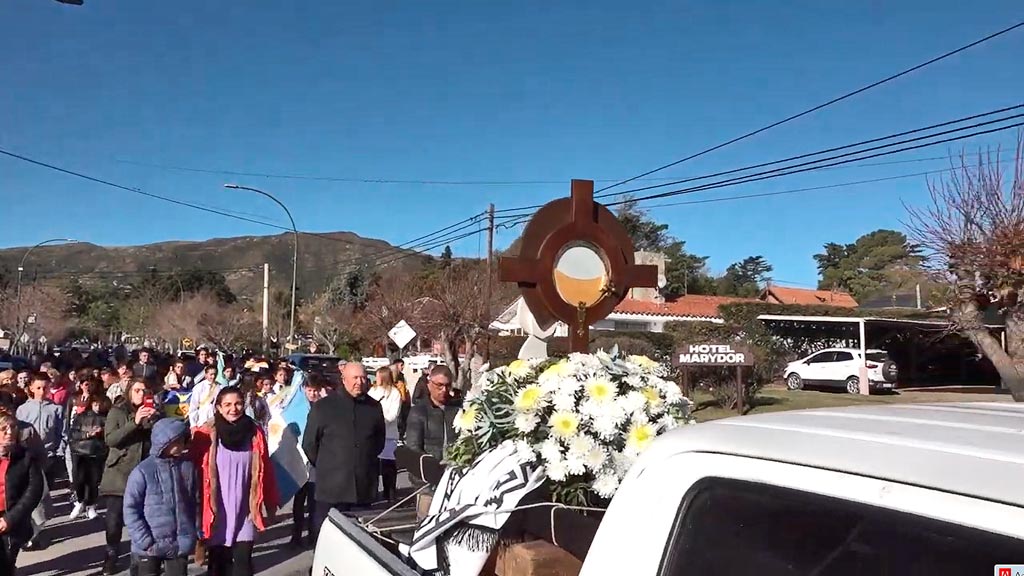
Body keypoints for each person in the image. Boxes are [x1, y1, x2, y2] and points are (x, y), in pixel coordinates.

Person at [192, 386, 278, 576]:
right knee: (217, 567)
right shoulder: (206, 433)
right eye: (228, 404)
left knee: (243, 566)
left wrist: (271, 503)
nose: (234, 409)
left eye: (238, 403)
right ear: (219, 408)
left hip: (245, 511)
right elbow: (192, 473)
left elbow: (266, 470)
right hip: (216, 513)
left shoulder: (255, 433)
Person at [303, 362, 385, 543]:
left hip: (362, 488)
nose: (359, 382)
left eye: (363, 377)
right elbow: (309, 444)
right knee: (327, 541)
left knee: (361, 544)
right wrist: (329, 465)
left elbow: (378, 442)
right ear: (344, 379)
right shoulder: (323, 407)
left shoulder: (374, 408)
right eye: (355, 378)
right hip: (331, 489)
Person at [100, 380, 161, 575]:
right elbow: (111, 439)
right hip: (119, 473)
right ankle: (111, 556)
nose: (141, 393)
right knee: (114, 521)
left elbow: (160, 440)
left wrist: (155, 420)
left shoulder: (154, 412)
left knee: (142, 520)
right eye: (137, 390)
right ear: (129, 392)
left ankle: (139, 559)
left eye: (145, 390)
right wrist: (134, 422)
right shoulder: (117, 412)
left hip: (144, 474)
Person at [123, 418, 196, 576]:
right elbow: (130, 508)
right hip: (149, 545)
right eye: (179, 440)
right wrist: (144, 540)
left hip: (179, 543)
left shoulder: (187, 467)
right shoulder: (142, 471)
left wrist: (193, 533)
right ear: (165, 441)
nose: (183, 444)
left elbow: (194, 501)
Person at [15, 372, 63, 550]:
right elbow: (18, 434)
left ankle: (38, 529)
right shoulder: (23, 410)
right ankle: (29, 533)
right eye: (38, 388)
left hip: (49, 457)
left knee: (44, 496)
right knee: (30, 496)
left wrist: (58, 452)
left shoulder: (56, 409)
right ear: (31, 389)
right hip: (28, 459)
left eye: (45, 387)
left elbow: (61, 433)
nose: (42, 391)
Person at [0, 410, 45, 574]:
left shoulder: (25, 457)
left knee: (6, 565)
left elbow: (34, 490)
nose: (9, 432)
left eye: (13, 427)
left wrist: (10, 519)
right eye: (4, 428)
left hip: (11, 520)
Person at [290, 377, 323, 548]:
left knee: (313, 502)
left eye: (315, 390)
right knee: (298, 501)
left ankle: (312, 534)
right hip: (299, 459)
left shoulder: (323, 408)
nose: (312, 394)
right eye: (309, 390)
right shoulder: (297, 408)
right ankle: (296, 534)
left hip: (316, 460)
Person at [68, 394, 110, 520]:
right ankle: (80, 501)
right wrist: (87, 434)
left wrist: (101, 433)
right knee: (78, 480)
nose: (98, 407)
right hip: (79, 451)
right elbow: (72, 433)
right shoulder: (81, 417)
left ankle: (91, 505)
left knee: (93, 481)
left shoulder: (106, 418)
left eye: (100, 404)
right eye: (96, 404)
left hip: (97, 452)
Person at [405, 366, 461, 461]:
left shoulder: (458, 409)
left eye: (447, 385)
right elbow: (413, 447)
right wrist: (431, 467)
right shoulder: (418, 411)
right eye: (439, 385)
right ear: (429, 384)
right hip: (428, 471)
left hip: (455, 469)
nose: (444, 390)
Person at [368, 367, 401, 501]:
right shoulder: (373, 391)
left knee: (388, 467)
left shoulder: (394, 393)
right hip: (373, 433)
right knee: (373, 466)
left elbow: (393, 414)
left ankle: (390, 494)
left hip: (389, 434)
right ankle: (372, 494)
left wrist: (380, 421)